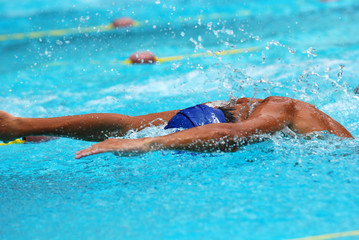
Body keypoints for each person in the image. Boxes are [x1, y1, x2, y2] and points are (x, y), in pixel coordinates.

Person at [0, 96, 353, 159]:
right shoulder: (266, 107)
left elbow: (231, 135)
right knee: (135, 128)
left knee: (136, 129)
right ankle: (17, 124)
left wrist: (146, 142)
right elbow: (128, 125)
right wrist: (147, 144)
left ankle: (19, 125)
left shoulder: (275, 110)